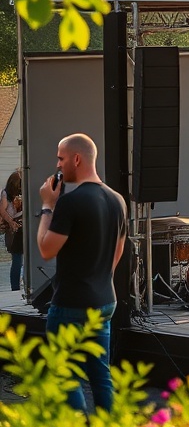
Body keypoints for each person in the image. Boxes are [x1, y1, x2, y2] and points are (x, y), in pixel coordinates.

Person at [36, 134, 127, 412]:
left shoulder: (70, 202)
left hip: (71, 304)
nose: (58, 165)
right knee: (101, 375)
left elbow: (46, 249)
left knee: (66, 376)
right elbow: (118, 252)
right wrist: (99, 279)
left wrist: (47, 205)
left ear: (77, 159)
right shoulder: (118, 200)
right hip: (104, 301)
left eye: (61, 158)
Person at [1, 169, 23, 292]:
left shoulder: (18, 194)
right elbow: (2, 210)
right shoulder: (6, 194)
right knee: (17, 259)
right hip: (13, 229)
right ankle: (15, 287)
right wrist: (11, 222)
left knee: (19, 260)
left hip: (17, 227)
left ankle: (17, 286)